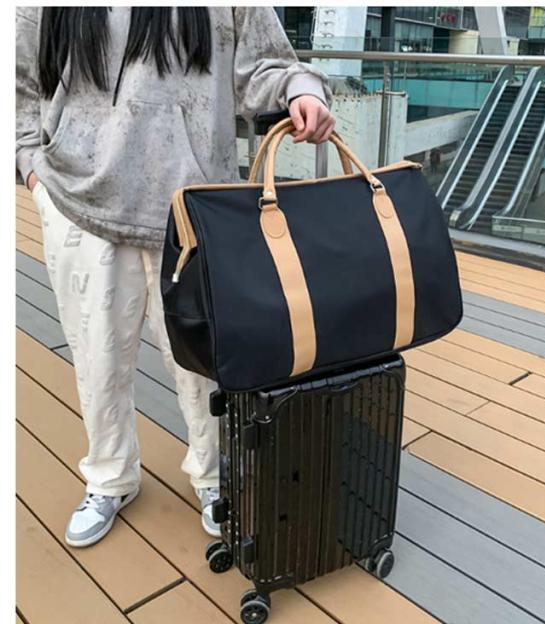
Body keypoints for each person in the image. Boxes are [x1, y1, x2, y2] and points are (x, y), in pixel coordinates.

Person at [16, 6, 335, 548]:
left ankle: (214, 475)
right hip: (77, 201)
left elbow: (265, 62)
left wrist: (301, 90)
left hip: (194, 206)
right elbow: (20, 79)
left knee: (206, 363)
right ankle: (109, 477)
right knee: (96, 359)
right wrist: (31, 170)